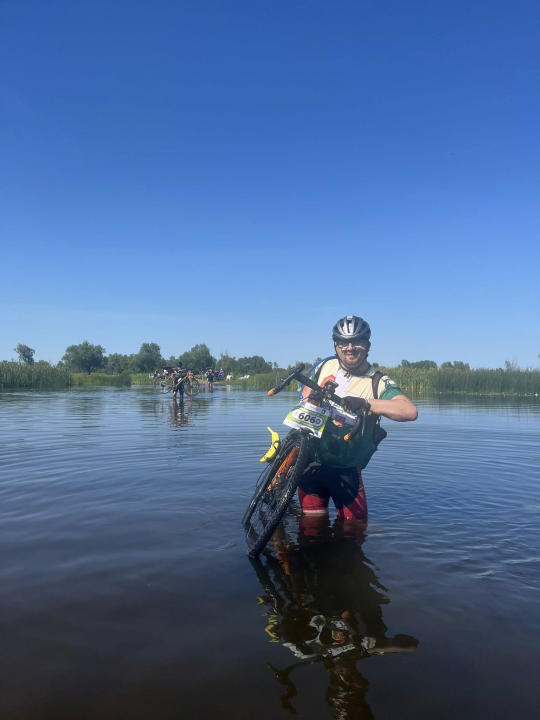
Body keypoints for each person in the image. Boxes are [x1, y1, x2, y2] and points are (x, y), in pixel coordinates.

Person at [298, 315, 417, 522]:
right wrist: (312, 399)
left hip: (346, 470)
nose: (350, 347)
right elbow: (305, 392)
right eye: (343, 342)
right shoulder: (324, 366)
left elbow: (409, 411)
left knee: (353, 531)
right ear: (336, 346)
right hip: (309, 463)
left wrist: (366, 403)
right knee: (310, 528)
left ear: (368, 345)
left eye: (357, 341)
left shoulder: (377, 381)